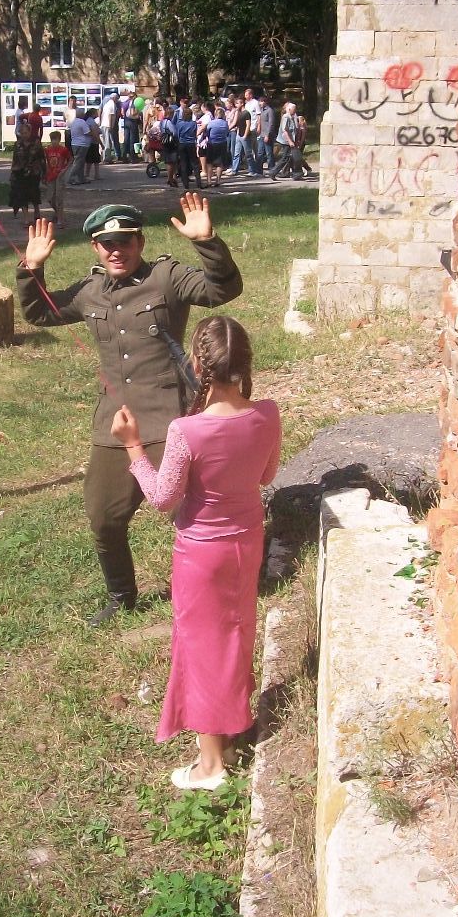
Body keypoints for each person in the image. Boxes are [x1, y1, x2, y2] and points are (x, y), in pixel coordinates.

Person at [16, 195, 243, 625]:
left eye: (125, 240)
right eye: (106, 243)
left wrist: (207, 241)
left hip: (168, 418)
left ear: (140, 241)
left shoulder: (166, 277)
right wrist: (32, 268)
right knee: (103, 516)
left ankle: (218, 586)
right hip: (116, 424)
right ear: (95, 248)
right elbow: (38, 313)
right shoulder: (90, 291)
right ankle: (122, 596)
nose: (116, 250)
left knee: (191, 513)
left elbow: (222, 289)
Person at [111, 315, 281, 788]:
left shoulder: (188, 430)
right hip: (247, 543)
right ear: (245, 363)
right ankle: (228, 730)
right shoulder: (268, 413)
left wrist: (133, 449)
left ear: (197, 362)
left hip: (201, 554)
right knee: (234, 634)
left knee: (201, 647)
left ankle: (210, 767)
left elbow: (164, 497)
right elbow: (266, 476)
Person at [9, 119, 45, 224]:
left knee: (34, 192)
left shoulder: (36, 142)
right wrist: (13, 172)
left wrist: (44, 172)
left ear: (30, 132)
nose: (24, 135)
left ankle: (37, 211)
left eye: (26, 132)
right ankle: (26, 218)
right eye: (22, 133)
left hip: (34, 172)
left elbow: (42, 158)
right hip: (20, 172)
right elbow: (15, 158)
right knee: (22, 194)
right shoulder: (18, 144)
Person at [44, 129, 72, 227]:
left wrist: (65, 170)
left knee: (59, 198)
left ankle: (60, 219)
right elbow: (47, 162)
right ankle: (57, 212)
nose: (54, 141)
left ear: (59, 140)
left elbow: (70, 160)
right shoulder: (47, 150)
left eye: (56, 139)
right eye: (52, 139)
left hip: (59, 176)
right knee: (50, 198)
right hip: (51, 175)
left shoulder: (63, 150)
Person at [67, 106, 93, 185]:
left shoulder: (73, 122)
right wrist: (93, 133)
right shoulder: (82, 122)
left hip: (74, 143)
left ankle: (81, 178)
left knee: (81, 162)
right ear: (81, 114)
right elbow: (87, 132)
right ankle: (70, 178)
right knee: (78, 162)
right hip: (82, 144)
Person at [256, 96, 276, 176]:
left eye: (261, 102)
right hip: (261, 134)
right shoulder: (261, 110)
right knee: (260, 152)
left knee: (269, 153)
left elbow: (271, 124)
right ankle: (259, 170)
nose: (259, 103)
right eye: (259, 102)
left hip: (268, 135)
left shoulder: (269, 110)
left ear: (265, 102)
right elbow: (260, 121)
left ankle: (272, 170)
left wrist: (267, 135)